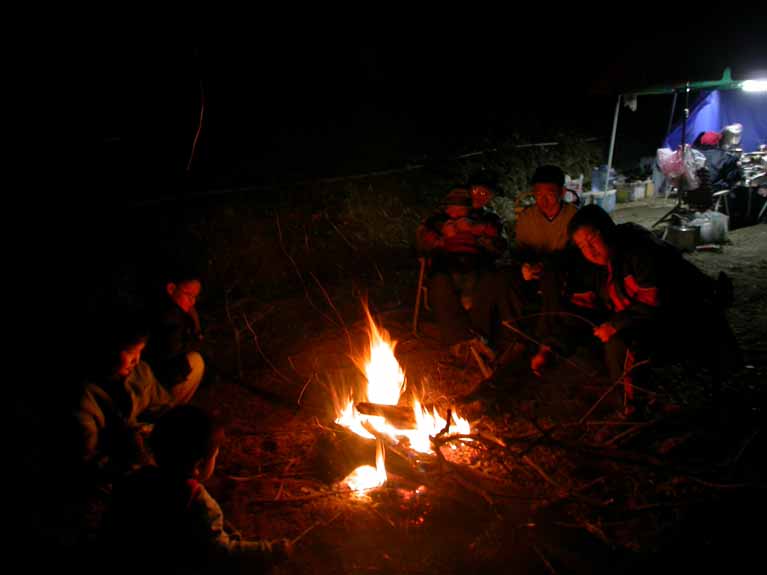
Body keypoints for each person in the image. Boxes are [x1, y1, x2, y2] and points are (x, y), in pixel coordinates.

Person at [568, 205, 741, 412]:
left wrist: (614, 324)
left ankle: (632, 408)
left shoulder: (641, 251)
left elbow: (655, 303)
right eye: (582, 246)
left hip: (684, 318)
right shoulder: (605, 261)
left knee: (619, 342)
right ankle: (637, 392)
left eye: (592, 240)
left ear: (607, 230)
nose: (590, 251)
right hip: (651, 317)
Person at [106, 405, 292, 573]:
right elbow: (222, 552)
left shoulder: (135, 480)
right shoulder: (198, 503)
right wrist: (268, 550)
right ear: (199, 465)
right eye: (215, 455)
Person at [416, 184, 511, 361]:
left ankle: (479, 337)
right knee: (441, 280)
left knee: (488, 280)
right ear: (446, 208)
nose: (456, 213)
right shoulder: (435, 221)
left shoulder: (485, 219)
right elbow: (422, 241)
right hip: (445, 268)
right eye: (452, 209)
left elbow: (501, 246)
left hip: (477, 267)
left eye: (461, 209)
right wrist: (442, 238)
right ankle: (461, 340)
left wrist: (477, 231)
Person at [75, 317, 175, 478]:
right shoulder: (84, 401)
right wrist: (130, 462)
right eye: (130, 352)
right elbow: (87, 459)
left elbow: (164, 406)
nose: (137, 360)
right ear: (109, 350)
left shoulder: (140, 371)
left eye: (140, 351)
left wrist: (171, 428)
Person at [511, 165, 580, 373]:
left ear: (562, 192)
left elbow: (576, 252)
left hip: (561, 272)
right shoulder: (527, 217)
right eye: (538, 194)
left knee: (551, 275)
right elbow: (520, 250)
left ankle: (546, 341)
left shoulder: (573, 216)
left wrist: (548, 263)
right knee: (504, 277)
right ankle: (514, 336)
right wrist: (525, 265)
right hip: (533, 270)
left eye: (549, 194)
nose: (543, 200)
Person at [143, 271, 205, 404]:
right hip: (151, 379)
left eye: (195, 296)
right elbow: (172, 351)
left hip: (153, 374)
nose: (192, 301)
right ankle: (165, 408)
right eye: (188, 294)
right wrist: (196, 339)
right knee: (196, 361)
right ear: (171, 289)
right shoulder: (170, 315)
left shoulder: (173, 310)